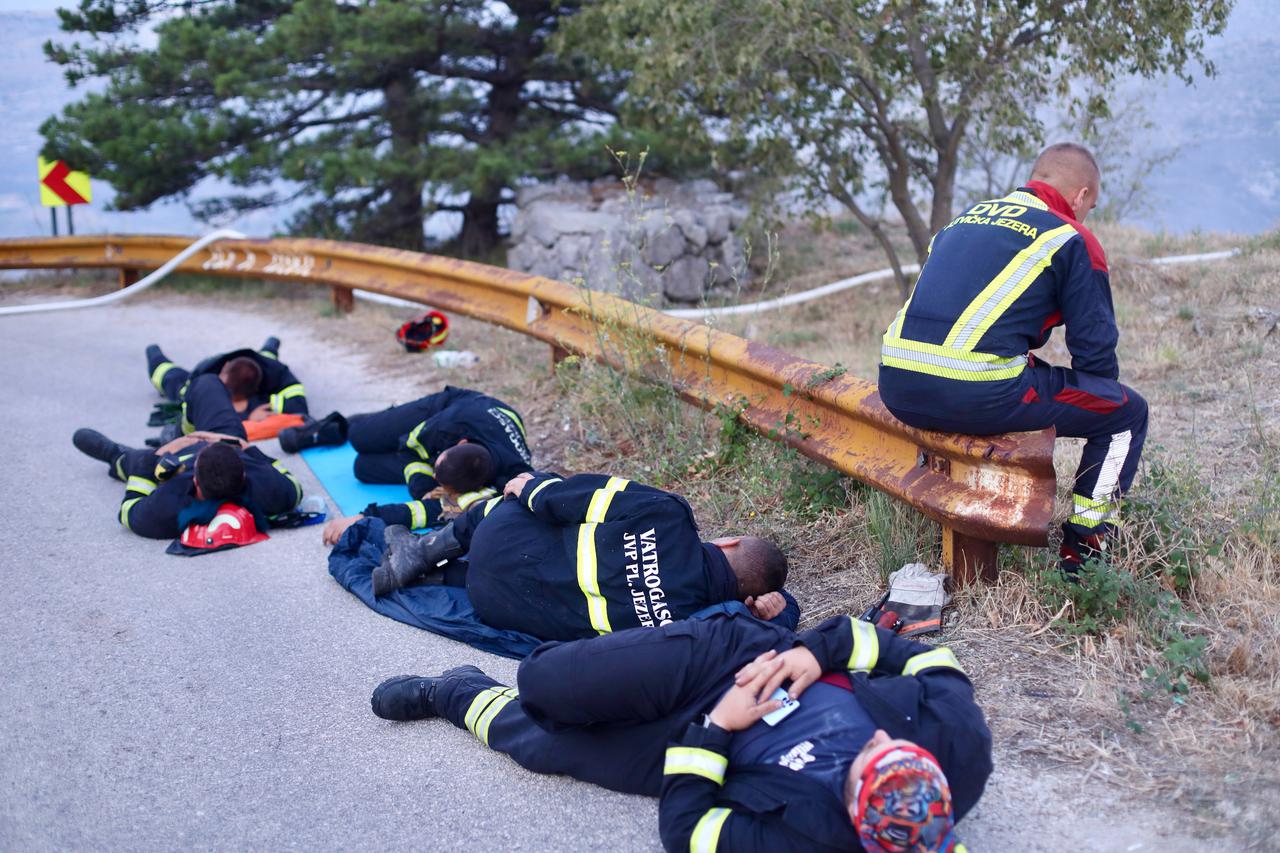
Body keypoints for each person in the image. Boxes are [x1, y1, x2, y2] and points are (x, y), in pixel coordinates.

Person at [369, 610, 990, 852]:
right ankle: (613, 656)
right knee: (544, 684)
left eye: (865, 761)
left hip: (690, 738)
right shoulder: (961, 747)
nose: (877, 740)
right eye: (893, 743)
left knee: (542, 744)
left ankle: (451, 690)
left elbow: (689, 831)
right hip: (731, 657)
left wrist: (717, 730)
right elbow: (921, 656)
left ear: (853, 811)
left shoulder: (813, 843)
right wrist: (814, 652)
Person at [878, 142, 1148, 577]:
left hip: (895, 384)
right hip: (973, 390)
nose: (1085, 214)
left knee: (1017, 369)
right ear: (1080, 195)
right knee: (1125, 415)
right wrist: (1093, 398)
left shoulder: (961, 221)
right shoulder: (1070, 236)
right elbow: (1095, 356)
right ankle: (1086, 555)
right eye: (1089, 206)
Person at [369, 470, 791, 637]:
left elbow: (579, 497)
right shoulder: (694, 623)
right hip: (495, 606)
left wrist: (531, 486)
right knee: (556, 581)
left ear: (728, 543)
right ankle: (435, 578)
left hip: (496, 540)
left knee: (539, 491)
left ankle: (424, 552)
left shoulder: (669, 516)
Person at [71, 373, 303, 539]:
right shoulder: (272, 490)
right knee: (208, 383)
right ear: (244, 474)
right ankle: (185, 427)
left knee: (140, 460)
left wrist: (153, 461)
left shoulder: (167, 506)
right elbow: (293, 486)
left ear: (194, 480)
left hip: (178, 454)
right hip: (227, 443)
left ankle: (116, 457)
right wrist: (246, 447)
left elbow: (128, 511)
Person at [319, 387, 533, 543]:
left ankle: (386, 428)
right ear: (460, 443)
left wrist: (363, 518)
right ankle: (380, 417)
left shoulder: (511, 478)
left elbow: (437, 510)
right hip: (450, 407)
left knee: (363, 467)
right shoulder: (446, 427)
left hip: (477, 435)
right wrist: (424, 489)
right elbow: (409, 447)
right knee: (359, 436)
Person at [145, 336, 309, 432]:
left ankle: (271, 345)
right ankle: (154, 353)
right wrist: (249, 418)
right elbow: (202, 416)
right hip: (211, 368)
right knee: (171, 378)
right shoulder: (205, 375)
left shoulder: (277, 373)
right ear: (223, 367)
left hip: (264, 364)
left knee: (268, 357)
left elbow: (300, 407)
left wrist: (268, 404)